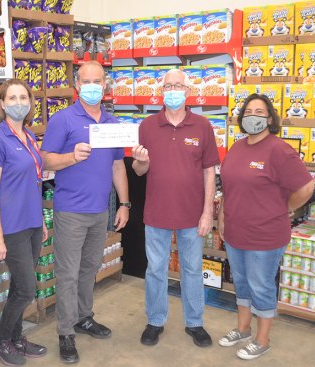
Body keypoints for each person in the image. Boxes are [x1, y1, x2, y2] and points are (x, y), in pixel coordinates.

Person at [41, 60, 130, 364]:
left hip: (99, 211)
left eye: (98, 80)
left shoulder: (112, 124)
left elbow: (118, 165)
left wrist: (125, 203)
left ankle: (84, 317)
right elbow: (46, 161)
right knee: (67, 273)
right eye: (86, 81)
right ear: (77, 85)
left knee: (89, 268)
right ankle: (66, 332)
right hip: (70, 211)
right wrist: (70, 156)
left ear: (106, 85)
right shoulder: (63, 120)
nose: (93, 86)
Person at [217, 93, 314, 360]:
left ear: (270, 119)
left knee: (261, 286)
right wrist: (222, 217)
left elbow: (306, 187)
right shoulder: (237, 147)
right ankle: (243, 329)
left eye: (260, 112)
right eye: (249, 111)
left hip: (266, 235)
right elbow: (228, 187)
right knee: (243, 284)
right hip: (236, 231)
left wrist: (286, 208)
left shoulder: (279, 149)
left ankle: (262, 339)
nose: (253, 117)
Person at [132, 68, 219, 348]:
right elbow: (139, 170)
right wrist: (141, 160)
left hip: (192, 214)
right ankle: (155, 320)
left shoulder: (203, 126)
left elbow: (209, 171)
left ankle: (195, 322)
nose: (173, 90)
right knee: (155, 269)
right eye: (168, 86)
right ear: (161, 91)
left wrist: (208, 212)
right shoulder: (147, 126)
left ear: (188, 91)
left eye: (178, 85)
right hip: (156, 212)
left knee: (192, 269)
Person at [0, 79, 48, 366]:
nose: (19, 102)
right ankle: (1, 340)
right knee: (26, 288)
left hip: (32, 223)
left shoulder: (30, 136)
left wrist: (42, 222)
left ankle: (16, 337)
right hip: (12, 226)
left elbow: (34, 182)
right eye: (13, 97)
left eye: (24, 96)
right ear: (2, 103)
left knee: (18, 286)